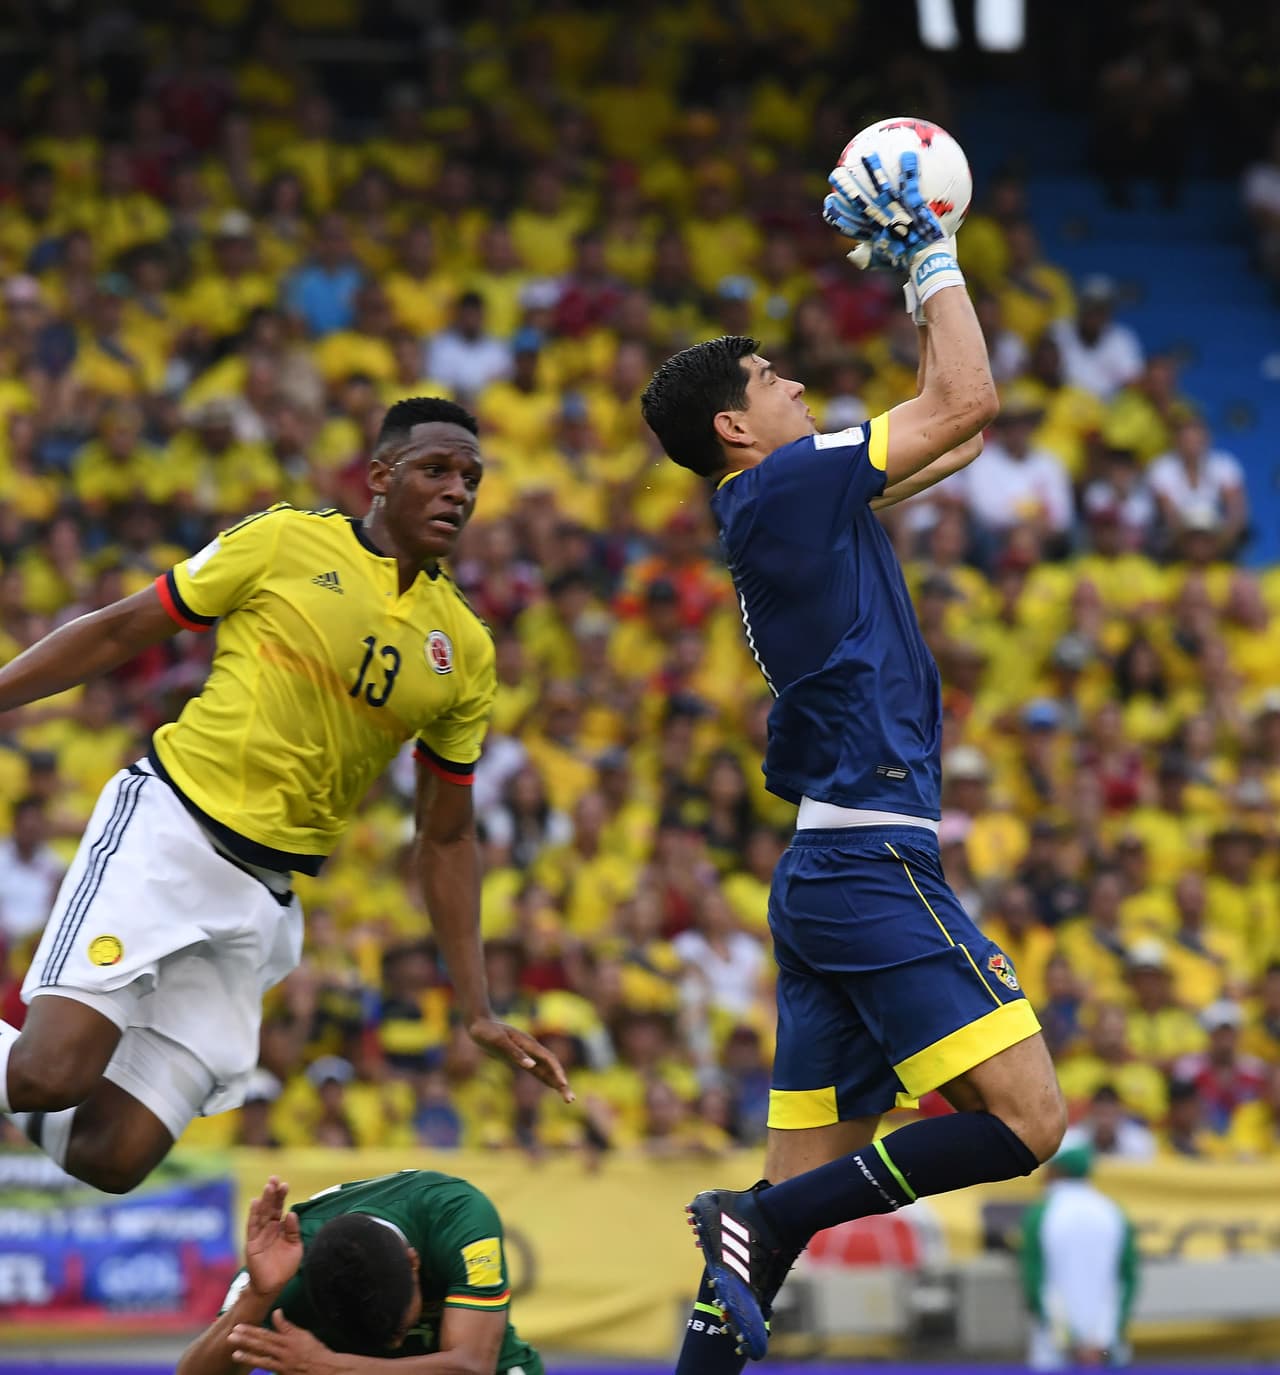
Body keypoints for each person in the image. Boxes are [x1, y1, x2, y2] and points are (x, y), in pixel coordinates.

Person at [641, 156, 1066, 1367]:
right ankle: (755, 1215)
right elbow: (971, 403)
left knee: (767, 1254)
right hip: (873, 863)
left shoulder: (787, 500)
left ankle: (744, 1259)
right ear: (734, 426)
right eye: (773, 379)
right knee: (1027, 1121)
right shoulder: (783, 486)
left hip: (824, 874)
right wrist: (929, 252)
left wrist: (913, 289)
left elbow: (952, 437)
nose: (796, 383)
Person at [0, 397, 570, 1195]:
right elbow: (123, 628)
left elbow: (445, 836)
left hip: (263, 899)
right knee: (43, 1077)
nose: (457, 491)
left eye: (471, 478)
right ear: (380, 475)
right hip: (170, 831)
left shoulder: (464, 649)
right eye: (436, 469)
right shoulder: (283, 540)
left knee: (111, 1156)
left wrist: (477, 1005)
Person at [177, 1172, 541, 1375]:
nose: (393, 1348)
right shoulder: (287, 1269)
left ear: (414, 1262)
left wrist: (328, 1365)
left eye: (397, 1330)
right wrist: (256, 1299)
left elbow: (472, 1366)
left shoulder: (458, 1217)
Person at [1020, 1144, 1139, 1369]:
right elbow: (1127, 1279)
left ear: (1058, 1171)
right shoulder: (1113, 1211)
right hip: (1105, 1348)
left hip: (1055, 1350)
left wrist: (1070, 1342)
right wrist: (1103, 1339)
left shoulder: (1041, 1213)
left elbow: (1035, 1280)